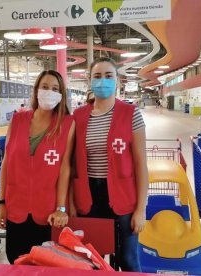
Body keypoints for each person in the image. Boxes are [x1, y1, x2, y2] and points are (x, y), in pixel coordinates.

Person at [71, 57, 149, 272]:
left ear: (117, 81)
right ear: (89, 80)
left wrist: (140, 209)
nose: (102, 81)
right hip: (88, 198)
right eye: (97, 76)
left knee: (128, 259)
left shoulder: (131, 114)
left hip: (123, 197)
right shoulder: (78, 116)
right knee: (92, 259)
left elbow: (141, 164)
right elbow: (71, 164)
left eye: (108, 76)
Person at [0, 70, 75, 264]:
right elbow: (6, 162)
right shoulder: (17, 120)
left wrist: (61, 207)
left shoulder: (66, 124)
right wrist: (1, 204)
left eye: (55, 89)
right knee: (15, 259)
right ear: (36, 91)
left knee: (44, 264)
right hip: (16, 209)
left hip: (47, 213)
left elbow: (65, 169)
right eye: (45, 87)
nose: (49, 92)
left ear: (61, 94)